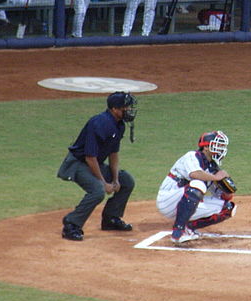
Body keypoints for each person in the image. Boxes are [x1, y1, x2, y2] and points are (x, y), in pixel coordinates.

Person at [56, 91, 137, 242]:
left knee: (127, 181)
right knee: (98, 190)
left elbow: (113, 153)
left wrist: (115, 179)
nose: (128, 110)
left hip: (93, 163)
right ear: (114, 109)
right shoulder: (99, 123)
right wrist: (103, 182)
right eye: (125, 107)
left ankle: (110, 219)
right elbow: (90, 157)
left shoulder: (119, 125)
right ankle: (71, 224)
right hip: (77, 164)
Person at [156, 130, 236, 245]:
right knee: (198, 185)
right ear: (207, 147)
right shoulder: (192, 156)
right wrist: (216, 177)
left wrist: (226, 186)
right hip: (168, 198)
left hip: (184, 204)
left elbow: (224, 196)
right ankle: (178, 232)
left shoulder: (213, 168)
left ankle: (189, 228)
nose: (221, 149)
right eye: (218, 145)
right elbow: (195, 174)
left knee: (228, 208)